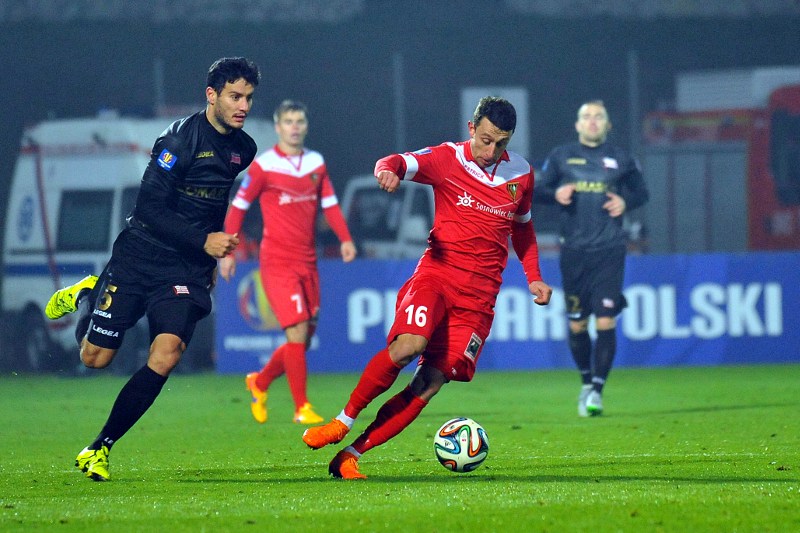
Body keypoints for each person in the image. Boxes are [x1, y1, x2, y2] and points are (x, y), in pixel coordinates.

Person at [301, 96, 553, 479]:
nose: (491, 151)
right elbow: (394, 161)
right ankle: (342, 421)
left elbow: (522, 228)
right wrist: (387, 172)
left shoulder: (521, 173)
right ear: (472, 128)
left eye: (501, 143)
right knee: (409, 346)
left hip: (478, 300)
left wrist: (533, 275)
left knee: (429, 383)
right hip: (437, 276)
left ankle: (350, 455)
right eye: (486, 140)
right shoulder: (447, 159)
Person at [43, 57, 261, 481]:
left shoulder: (244, 149)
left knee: (167, 353)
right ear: (211, 95)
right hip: (139, 256)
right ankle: (90, 292)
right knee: (94, 358)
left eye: (249, 98)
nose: (243, 106)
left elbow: (214, 202)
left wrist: (208, 254)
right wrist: (204, 241)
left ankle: (99, 447)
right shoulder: (178, 141)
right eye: (235, 96)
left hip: (185, 269)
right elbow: (147, 208)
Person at [219, 100, 357, 425]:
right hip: (277, 261)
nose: (294, 127)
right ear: (278, 127)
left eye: (299, 121)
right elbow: (238, 208)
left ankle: (260, 381)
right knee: (296, 331)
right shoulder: (264, 166)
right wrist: (228, 252)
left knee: (303, 340)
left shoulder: (315, 163)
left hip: (308, 262)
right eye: (288, 121)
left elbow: (330, 205)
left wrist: (345, 238)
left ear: (306, 126)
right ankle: (301, 407)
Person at [534, 100, 649, 417]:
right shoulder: (561, 156)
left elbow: (642, 193)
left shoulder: (622, 159)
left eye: (599, 117)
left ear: (608, 125)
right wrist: (555, 194)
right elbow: (537, 190)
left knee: (606, 319)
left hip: (609, 250)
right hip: (574, 252)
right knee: (577, 324)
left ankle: (597, 390)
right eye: (587, 116)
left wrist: (625, 202)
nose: (593, 121)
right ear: (578, 125)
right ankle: (586, 382)